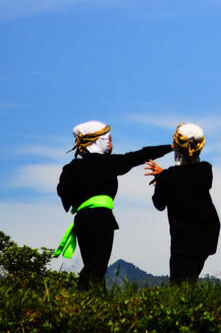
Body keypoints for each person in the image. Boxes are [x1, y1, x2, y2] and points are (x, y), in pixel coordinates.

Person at [55, 120, 172, 289]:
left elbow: (63, 191)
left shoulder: (71, 168)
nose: (111, 143)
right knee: (97, 266)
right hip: (102, 219)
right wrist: (170, 147)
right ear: (99, 140)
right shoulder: (108, 163)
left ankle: (92, 300)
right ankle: (83, 296)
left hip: (82, 220)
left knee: (92, 263)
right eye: (108, 139)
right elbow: (139, 155)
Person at [145, 123, 220, 283]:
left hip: (183, 241)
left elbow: (159, 204)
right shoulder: (206, 170)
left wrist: (160, 179)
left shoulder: (168, 178)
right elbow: (185, 176)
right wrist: (165, 175)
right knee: (191, 275)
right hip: (207, 235)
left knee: (180, 283)